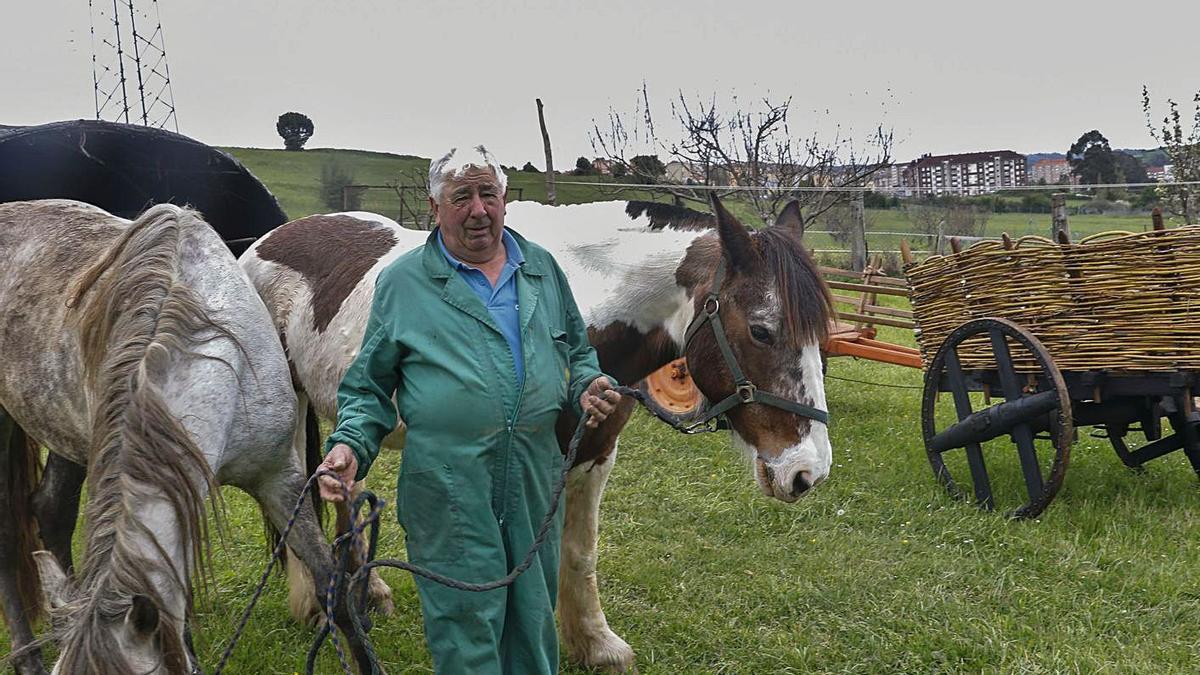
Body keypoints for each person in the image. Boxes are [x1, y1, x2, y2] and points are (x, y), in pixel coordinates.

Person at [317, 143, 620, 674]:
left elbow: (576, 350)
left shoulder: (542, 269)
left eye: (488, 194)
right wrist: (350, 445)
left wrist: (588, 385)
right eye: (462, 196)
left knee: (531, 616)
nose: (478, 209)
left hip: (531, 477)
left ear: (504, 200)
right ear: (435, 209)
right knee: (465, 623)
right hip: (448, 483)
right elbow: (368, 386)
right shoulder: (405, 282)